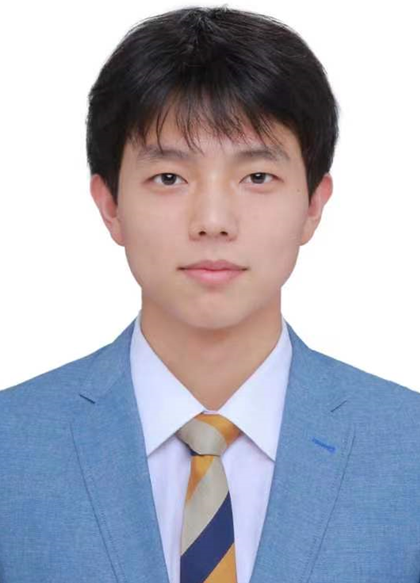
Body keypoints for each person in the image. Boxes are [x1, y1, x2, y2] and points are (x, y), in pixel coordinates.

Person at [1, 5, 420, 583]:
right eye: (169, 178)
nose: (214, 221)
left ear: (313, 205)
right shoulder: (11, 445)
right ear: (110, 205)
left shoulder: (408, 446)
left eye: (257, 177)